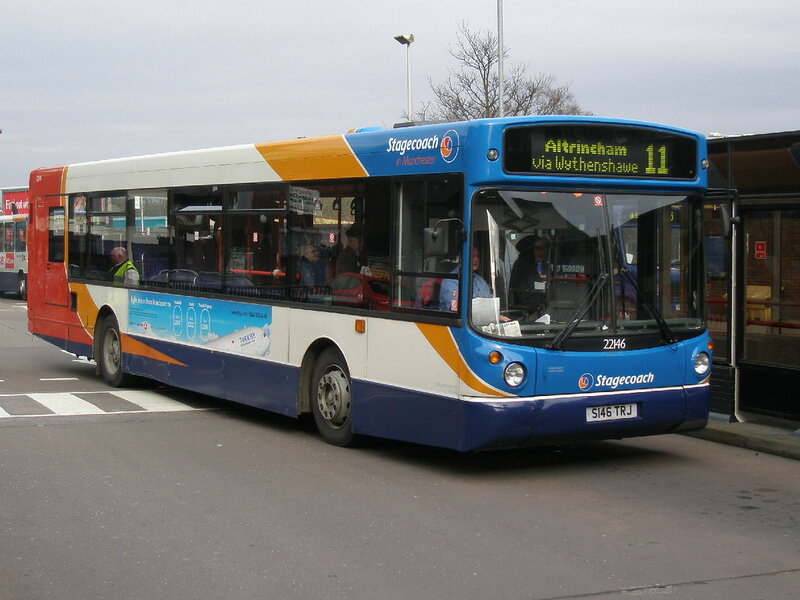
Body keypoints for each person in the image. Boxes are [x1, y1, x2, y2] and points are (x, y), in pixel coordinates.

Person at [439, 246, 491, 312]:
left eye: (477, 256)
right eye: (472, 256)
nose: (476, 259)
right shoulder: (450, 280)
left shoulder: (480, 280)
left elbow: (490, 304)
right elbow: (456, 309)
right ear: (459, 258)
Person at [509, 235, 549, 312]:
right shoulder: (523, 268)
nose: (542, 251)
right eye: (538, 248)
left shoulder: (532, 266)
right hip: (524, 314)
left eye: (543, 248)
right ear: (529, 251)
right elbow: (525, 295)